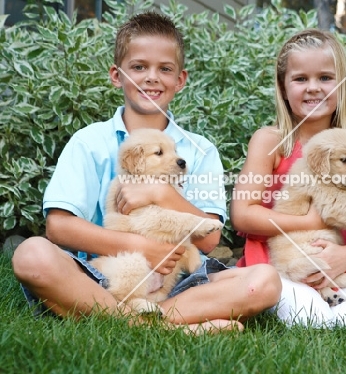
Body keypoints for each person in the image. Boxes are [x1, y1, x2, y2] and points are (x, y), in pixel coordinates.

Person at [11, 11, 281, 334]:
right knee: (31, 255)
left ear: (180, 80)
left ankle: (121, 316)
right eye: (139, 67)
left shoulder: (200, 151)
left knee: (265, 281)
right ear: (116, 75)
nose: (151, 77)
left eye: (164, 69)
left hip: (180, 280)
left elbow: (209, 238)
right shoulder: (89, 142)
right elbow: (58, 226)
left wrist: (161, 193)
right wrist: (141, 248)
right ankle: (162, 324)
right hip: (104, 275)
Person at [230, 29, 346, 329]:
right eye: (301, 79)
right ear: (283, 86)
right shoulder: (272, 142)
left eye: (326, 78)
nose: (313, 88)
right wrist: (312, 222)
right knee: (312, 319)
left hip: (336, 265)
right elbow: (242, 214)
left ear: (342, 84)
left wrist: (345, 257)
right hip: (276, 265)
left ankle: (339, 297)